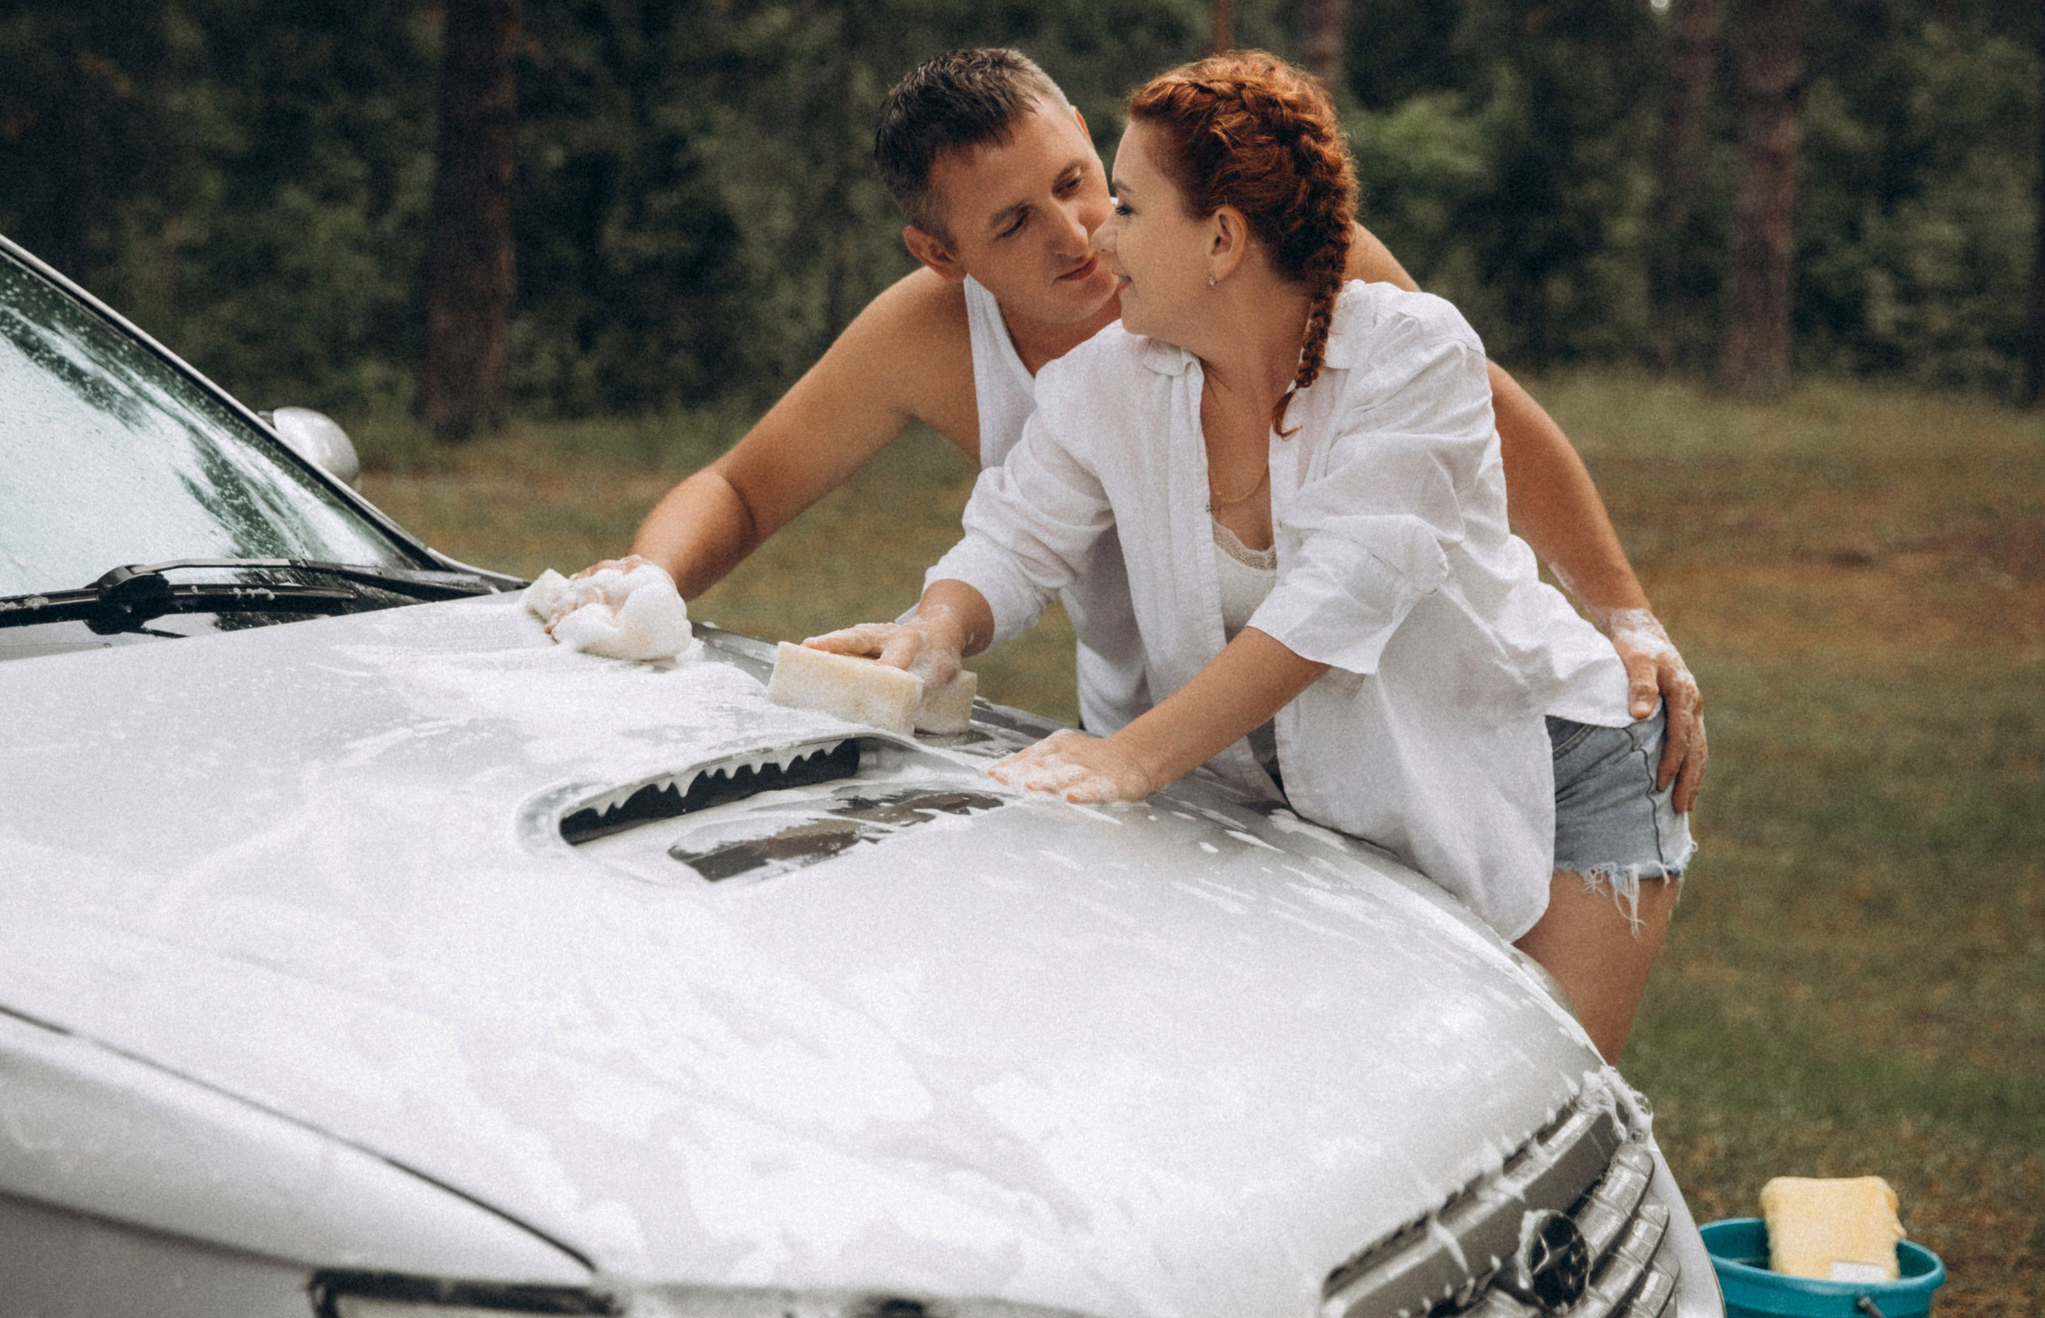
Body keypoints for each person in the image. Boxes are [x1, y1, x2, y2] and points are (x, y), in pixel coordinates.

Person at [804, 52, 1689, 1060]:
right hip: (1351, 795)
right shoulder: (1110, 382)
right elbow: (1012, 537)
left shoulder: (1413, 357)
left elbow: (1335, 602)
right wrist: (934, 629)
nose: (1098, 233)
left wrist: (1128, 757)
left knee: (1536, 1112)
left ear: (1220, 238)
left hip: (1553, 761)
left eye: (1124, 206)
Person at [598, 46, 1703, 808]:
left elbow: (1482, 412)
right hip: (1163, 747)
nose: (1078, 236)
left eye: (1081, 183)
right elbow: (746, 489)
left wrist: (1627, 612)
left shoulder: (1267, 253)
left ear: (1089, 138)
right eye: (1012, 224)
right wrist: (645, 589)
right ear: (943, 256)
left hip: (1387, 734)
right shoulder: (936, 341)